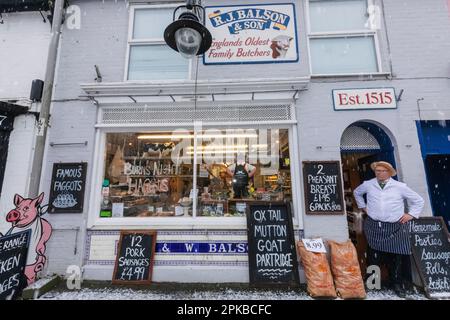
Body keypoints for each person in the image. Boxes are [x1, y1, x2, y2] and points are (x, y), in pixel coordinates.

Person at [353, 161, 424, 297]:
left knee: (396, 257)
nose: (378, 173)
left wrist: (411, 214)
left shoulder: (399, 187)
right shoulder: (369, 184)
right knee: (374, 256)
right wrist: (363, 206)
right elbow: (357, 193)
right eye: (377, 170)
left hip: (395, 227)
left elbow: (418, 200)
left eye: (382, 171)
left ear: (389, 173)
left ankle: (396, 283)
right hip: (374, 225)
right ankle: (373, 283)